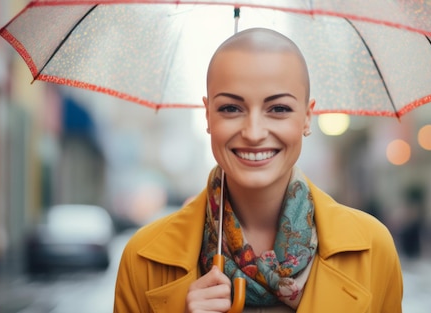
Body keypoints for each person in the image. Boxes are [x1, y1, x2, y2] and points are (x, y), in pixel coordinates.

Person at [114, 27, 403, 312]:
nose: (253, 133)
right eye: (230, 108)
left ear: (307, 117)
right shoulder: (142, 258)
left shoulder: (373, 250)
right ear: (207, 116)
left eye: (278, 109)